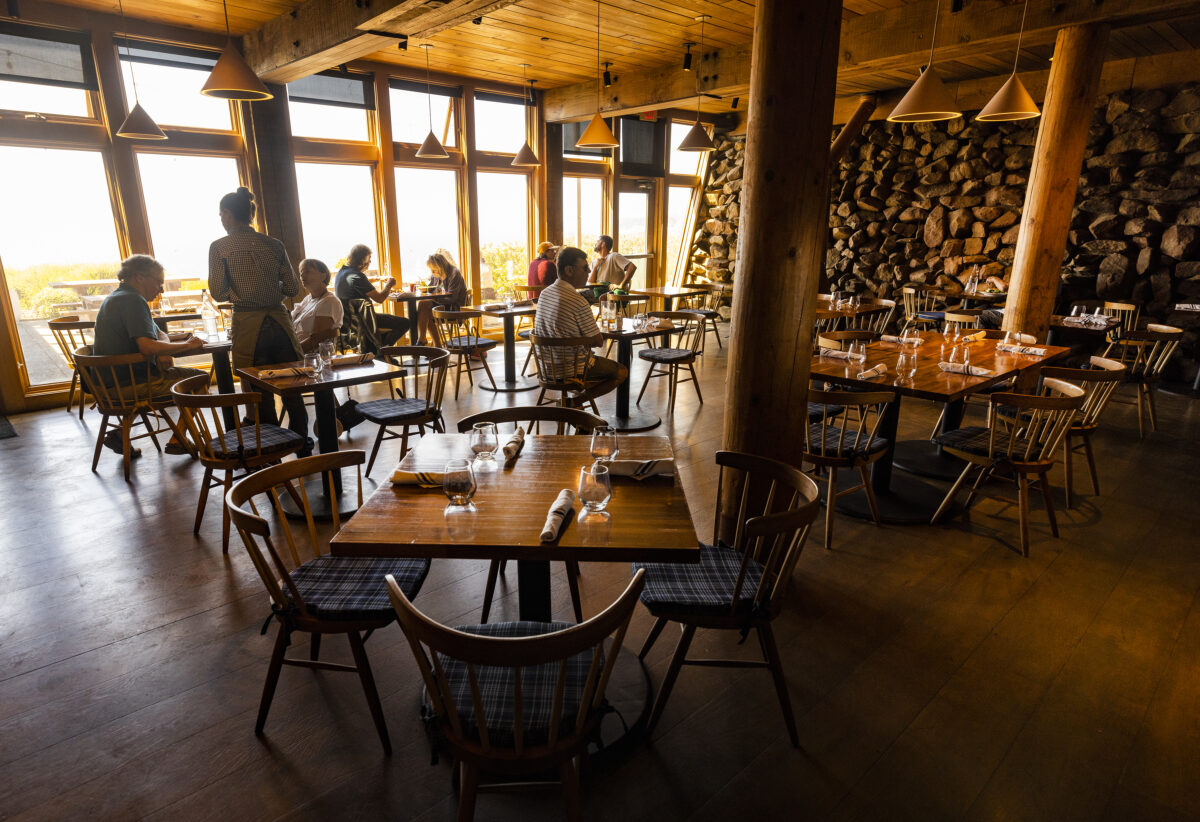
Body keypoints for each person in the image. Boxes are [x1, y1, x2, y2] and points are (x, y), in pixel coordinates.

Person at [207, 186, 309, 450]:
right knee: (293, 387)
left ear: (229, 214)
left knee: (259, 393)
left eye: (221, 215)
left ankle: (273, 452)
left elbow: (218, 292)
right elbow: (292, 289)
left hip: (249, 326)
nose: (221, 219)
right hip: (280, 323)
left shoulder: (219, 247)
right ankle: (301, 445)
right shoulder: (274, 244)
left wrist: (240, 294)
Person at [93, 254, 207, 455]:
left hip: (108, 382)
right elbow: (147, 346)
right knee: (201, 379)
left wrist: (164, 344)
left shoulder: (116, 296)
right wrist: (187, 346)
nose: (161, 289)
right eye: (158, 282)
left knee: (164, 372)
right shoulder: (133, 301)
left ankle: (121, 434)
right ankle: (179, 438)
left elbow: (159, 334)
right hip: (127, 384)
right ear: (139, 277)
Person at [533, 245, 627, 403]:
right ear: (569, 270)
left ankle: (579, 416)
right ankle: (575, 403)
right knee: (621, 372)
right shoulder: (577, 301)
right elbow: (597, 341)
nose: (589, 272)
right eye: (585, 268)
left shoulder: (545, 293)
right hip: (572, 370)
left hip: (547, 369)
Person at [333, 244, 410, 348]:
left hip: (348, 322)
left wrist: (377, 279)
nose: (370, 263)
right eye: (369, 260)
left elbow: (357, 283)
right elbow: (380, 299)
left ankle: (377, 347)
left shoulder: (342, 272)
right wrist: (389, 285)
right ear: (363, 261)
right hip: (364, 321)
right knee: (405, 323)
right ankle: (382, 349)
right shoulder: (358, 276)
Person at [415, 250, 469, 345]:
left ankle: (424, 341)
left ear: (441, 266)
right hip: (441, 305)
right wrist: (423, 289)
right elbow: (430, 289)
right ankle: (431, 343)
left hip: (454, 308)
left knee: (424, 308)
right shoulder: (436, 274)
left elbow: (453, 297)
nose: (432, 272)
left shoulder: (454, 273)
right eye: (431, 269)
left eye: (434, 269)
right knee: (424, 307)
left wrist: (433, 299)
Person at [290, 258, 343, 352]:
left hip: (314, 357)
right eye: (301, 272)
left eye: (307, 271)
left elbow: (316, 339)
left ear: (323, 276)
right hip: (298, 351)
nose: (302, 274)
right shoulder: (308, 299)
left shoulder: (329, 301)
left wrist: (292, 352)